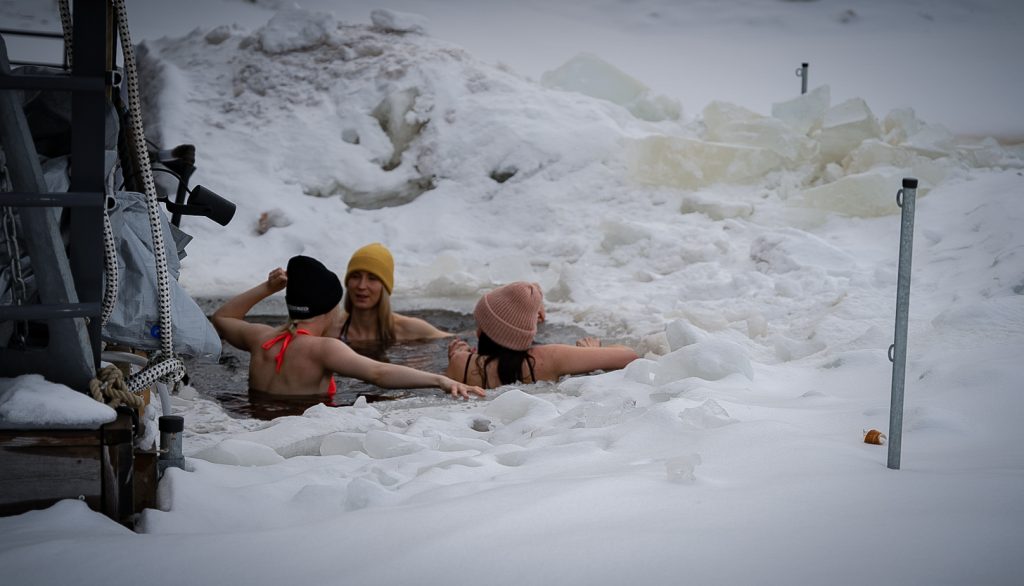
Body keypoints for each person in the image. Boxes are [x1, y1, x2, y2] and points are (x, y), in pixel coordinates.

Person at [211, 255, 485, 400]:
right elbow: (379, 373)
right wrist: (440, 380)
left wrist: (268, 287)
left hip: (256, 423)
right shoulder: (323, 349)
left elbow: (222, 318)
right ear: (331, 309)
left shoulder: (260, 337)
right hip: (300, 431)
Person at [446, 281, 638, 389]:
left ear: (483, 330)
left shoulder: (461, 363)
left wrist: (457, 357)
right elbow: (629, 356)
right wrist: (591, 352)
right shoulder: (548, 358)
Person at [331, 242, 449, 345]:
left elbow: (452, 340)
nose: (361, 286)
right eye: (355, 276)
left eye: (372, 278)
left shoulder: (410, 329)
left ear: (385, 286)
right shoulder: (331, 330)